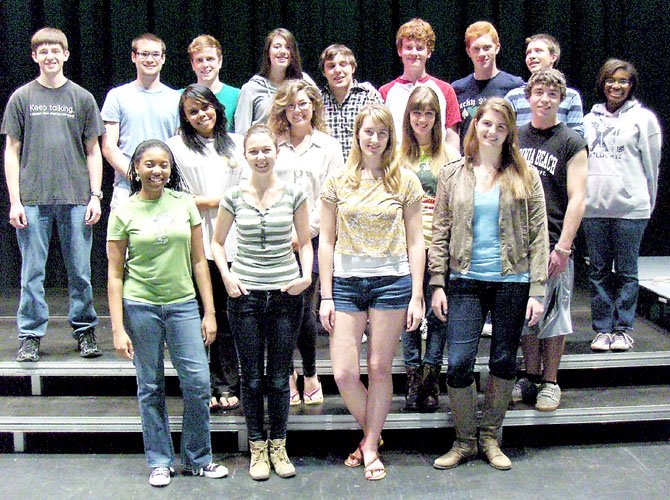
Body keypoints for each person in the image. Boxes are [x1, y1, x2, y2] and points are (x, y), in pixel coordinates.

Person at [429, 98, 548, 471]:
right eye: (486, 124)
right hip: (464, 280)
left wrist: (538, 289)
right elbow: (440, 230)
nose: (492, 131)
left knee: (501, 360)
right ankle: (464, 440)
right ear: (475, 126)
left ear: (509, 130)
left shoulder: (526, 175)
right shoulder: (452, 174)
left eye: (500, 125)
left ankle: (490, 438)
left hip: (512, 280)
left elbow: (539, 235)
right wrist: (436, 282)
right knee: (459, 363)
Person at [107, 139, 228, 487]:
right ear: (136, 169)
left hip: (183, 305)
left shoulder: (184, 203)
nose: (157, 171)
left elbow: (199, 262)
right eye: (149, 164)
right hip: (141, 305)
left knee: (198, 383)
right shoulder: (124, 211)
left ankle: (197, 458)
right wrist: (118, 328)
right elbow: (115, 275)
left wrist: (209, 311)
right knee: (150, 386)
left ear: (170, 169)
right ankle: (160, 461)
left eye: (163, 164)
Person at [319, 104, 425, 481]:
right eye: (368, 132)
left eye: (381, 133)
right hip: (346, 284)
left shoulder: (406, 181)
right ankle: (373, 438)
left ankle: (369, 445)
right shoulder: (337, 181)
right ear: (357, 135)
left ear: (390, 138)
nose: (374, 139)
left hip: (392, 283)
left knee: (380, 367)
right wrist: (326, 294)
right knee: (345, 373)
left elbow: (416, 240)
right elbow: (326, 242)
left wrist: (417, 294)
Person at [211, 124, 312, 481]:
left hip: (285, 295)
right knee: (251, 379)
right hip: (246, 296)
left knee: (279, 379)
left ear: (277, 151)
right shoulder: (234, 196)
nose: (261, 156)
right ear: (245, 156)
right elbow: (217, 243)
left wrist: (306, 274)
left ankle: (279, 446)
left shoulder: (295, 194)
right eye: (254, 151)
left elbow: (306, 240)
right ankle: (257, 446)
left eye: (266, 150)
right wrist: (227, 275)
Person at [2, 27, 105, 362]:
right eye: (42, 51)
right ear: (34, 56)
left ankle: (85, 331)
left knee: (80, 271)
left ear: (66, 54)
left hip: (76, 199)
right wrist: (15, 200)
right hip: (32, 199)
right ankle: (30, 335)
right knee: (32, 272)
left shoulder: (82, 98)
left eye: (55, 50)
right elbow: (11, 152)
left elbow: (93, 151)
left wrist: (95, 195)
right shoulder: (21, 98)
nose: (49, 56)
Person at [166, 84, 249, 411]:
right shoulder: (175, 148)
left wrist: (210, 201)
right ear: (185, 117)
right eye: (193, 111)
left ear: (217, 107)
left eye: (206, 107)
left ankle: (228, 382)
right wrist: (221, 200)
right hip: (196, 240)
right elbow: (175, 197)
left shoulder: (239, 144)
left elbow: (248, 191)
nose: (202, 115)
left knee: (229, 319)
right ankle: (202, 384)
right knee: (201, 314)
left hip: (235, 241)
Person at [267, 79, 345, 406]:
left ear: (314, 105)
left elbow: (331, 197)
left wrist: (300, 235)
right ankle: (286, 371)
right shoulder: (273, 143)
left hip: (313, 239)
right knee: (277, 312)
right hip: (274, 240)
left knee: (302, 311)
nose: (297, 110)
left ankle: (311, 372)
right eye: (291, 105)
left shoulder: (329, 147)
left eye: (303, 104)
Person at [516, 69, 588, 412]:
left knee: (555, 313)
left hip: (555, 238)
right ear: (529, 97)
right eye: (539, 92)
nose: (544, 99)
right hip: (519, 242)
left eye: (551, 94)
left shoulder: (571, 141)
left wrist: (564, 246)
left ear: (560, 100)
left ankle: (550, 381)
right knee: (527, 314)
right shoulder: (515, 137)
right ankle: (529, 376)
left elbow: (578, 198)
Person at [583, 59, 662, 352]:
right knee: (599, 270)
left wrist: (647, 202)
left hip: (631, 209)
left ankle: (623, 328)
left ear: (631, 86)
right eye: (611, 80)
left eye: (623, 81)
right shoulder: (588, 121)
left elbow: (652, 166)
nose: (616, 86)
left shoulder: (645, 119)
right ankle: (603, 329)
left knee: (627, 272)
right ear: (603, 83)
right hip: (595, 208)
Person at [398, 86, 460, 412]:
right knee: (408, 316)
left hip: (439, 246)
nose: (422, 119)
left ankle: (430, 377)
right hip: (406, 245)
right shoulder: (396, 154)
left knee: (438, 315)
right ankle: (412, 377)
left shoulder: (449, 155)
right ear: (408, 116)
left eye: (429, 113)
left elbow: (455, 207)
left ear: (437, 117)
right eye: (416, 112)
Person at [101, 33, 180, 209]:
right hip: (126, 189)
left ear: (163, 59)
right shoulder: (117, 96)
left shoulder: (176, 99)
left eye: (155, 54)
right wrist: (137, 176)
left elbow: (179, 145)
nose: (150, 59)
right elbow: (108, 146)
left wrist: (159, 178)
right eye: (144, 54)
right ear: (134, 57)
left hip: (166, 189)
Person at [379, 18, 461, 150]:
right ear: (400, 51)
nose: (414, 53)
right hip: (400, 166)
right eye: (408, 47)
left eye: (420, 48)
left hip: (438, 166)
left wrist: (451, 166)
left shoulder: (445, 90)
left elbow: (452, 135)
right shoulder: (385, 92)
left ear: (429, 52)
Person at [452, 21, 524, 146]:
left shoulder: (515, 85)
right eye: (476, 49)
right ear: (468, 52)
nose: (481, 54)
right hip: (468, 160)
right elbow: (453, 133)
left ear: (497, 48)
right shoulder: (457, 88)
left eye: (487, 48)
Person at [234, 28, 315, 135]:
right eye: (277, 47)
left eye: (288, 47)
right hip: (263, 149)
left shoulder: (303, 81)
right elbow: (241, 132)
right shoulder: (251, 88)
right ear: (268, 52)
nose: (283, 51)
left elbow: (318, 115)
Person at [505, 34, 584, 136]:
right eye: (528, 53)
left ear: (553, 57)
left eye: (538, 51)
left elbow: (577, 138)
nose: (532, 56)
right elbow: (505, 134)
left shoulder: (571, 96)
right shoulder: (513, 97)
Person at [319, 44, 382, 159]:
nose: (337, 70)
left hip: (364, 170)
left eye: (343, 64)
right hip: (329, 172)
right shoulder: (317, 102)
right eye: (331, 66)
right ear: (324, 72)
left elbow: (383, 135)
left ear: (353, 68)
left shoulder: (369, 98)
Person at [185, 35, 240, 131]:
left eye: (210, 59)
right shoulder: (180, 96)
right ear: (192, 64)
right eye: (199, 60)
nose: (205, 65)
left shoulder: (237, 96)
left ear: (220, 61)